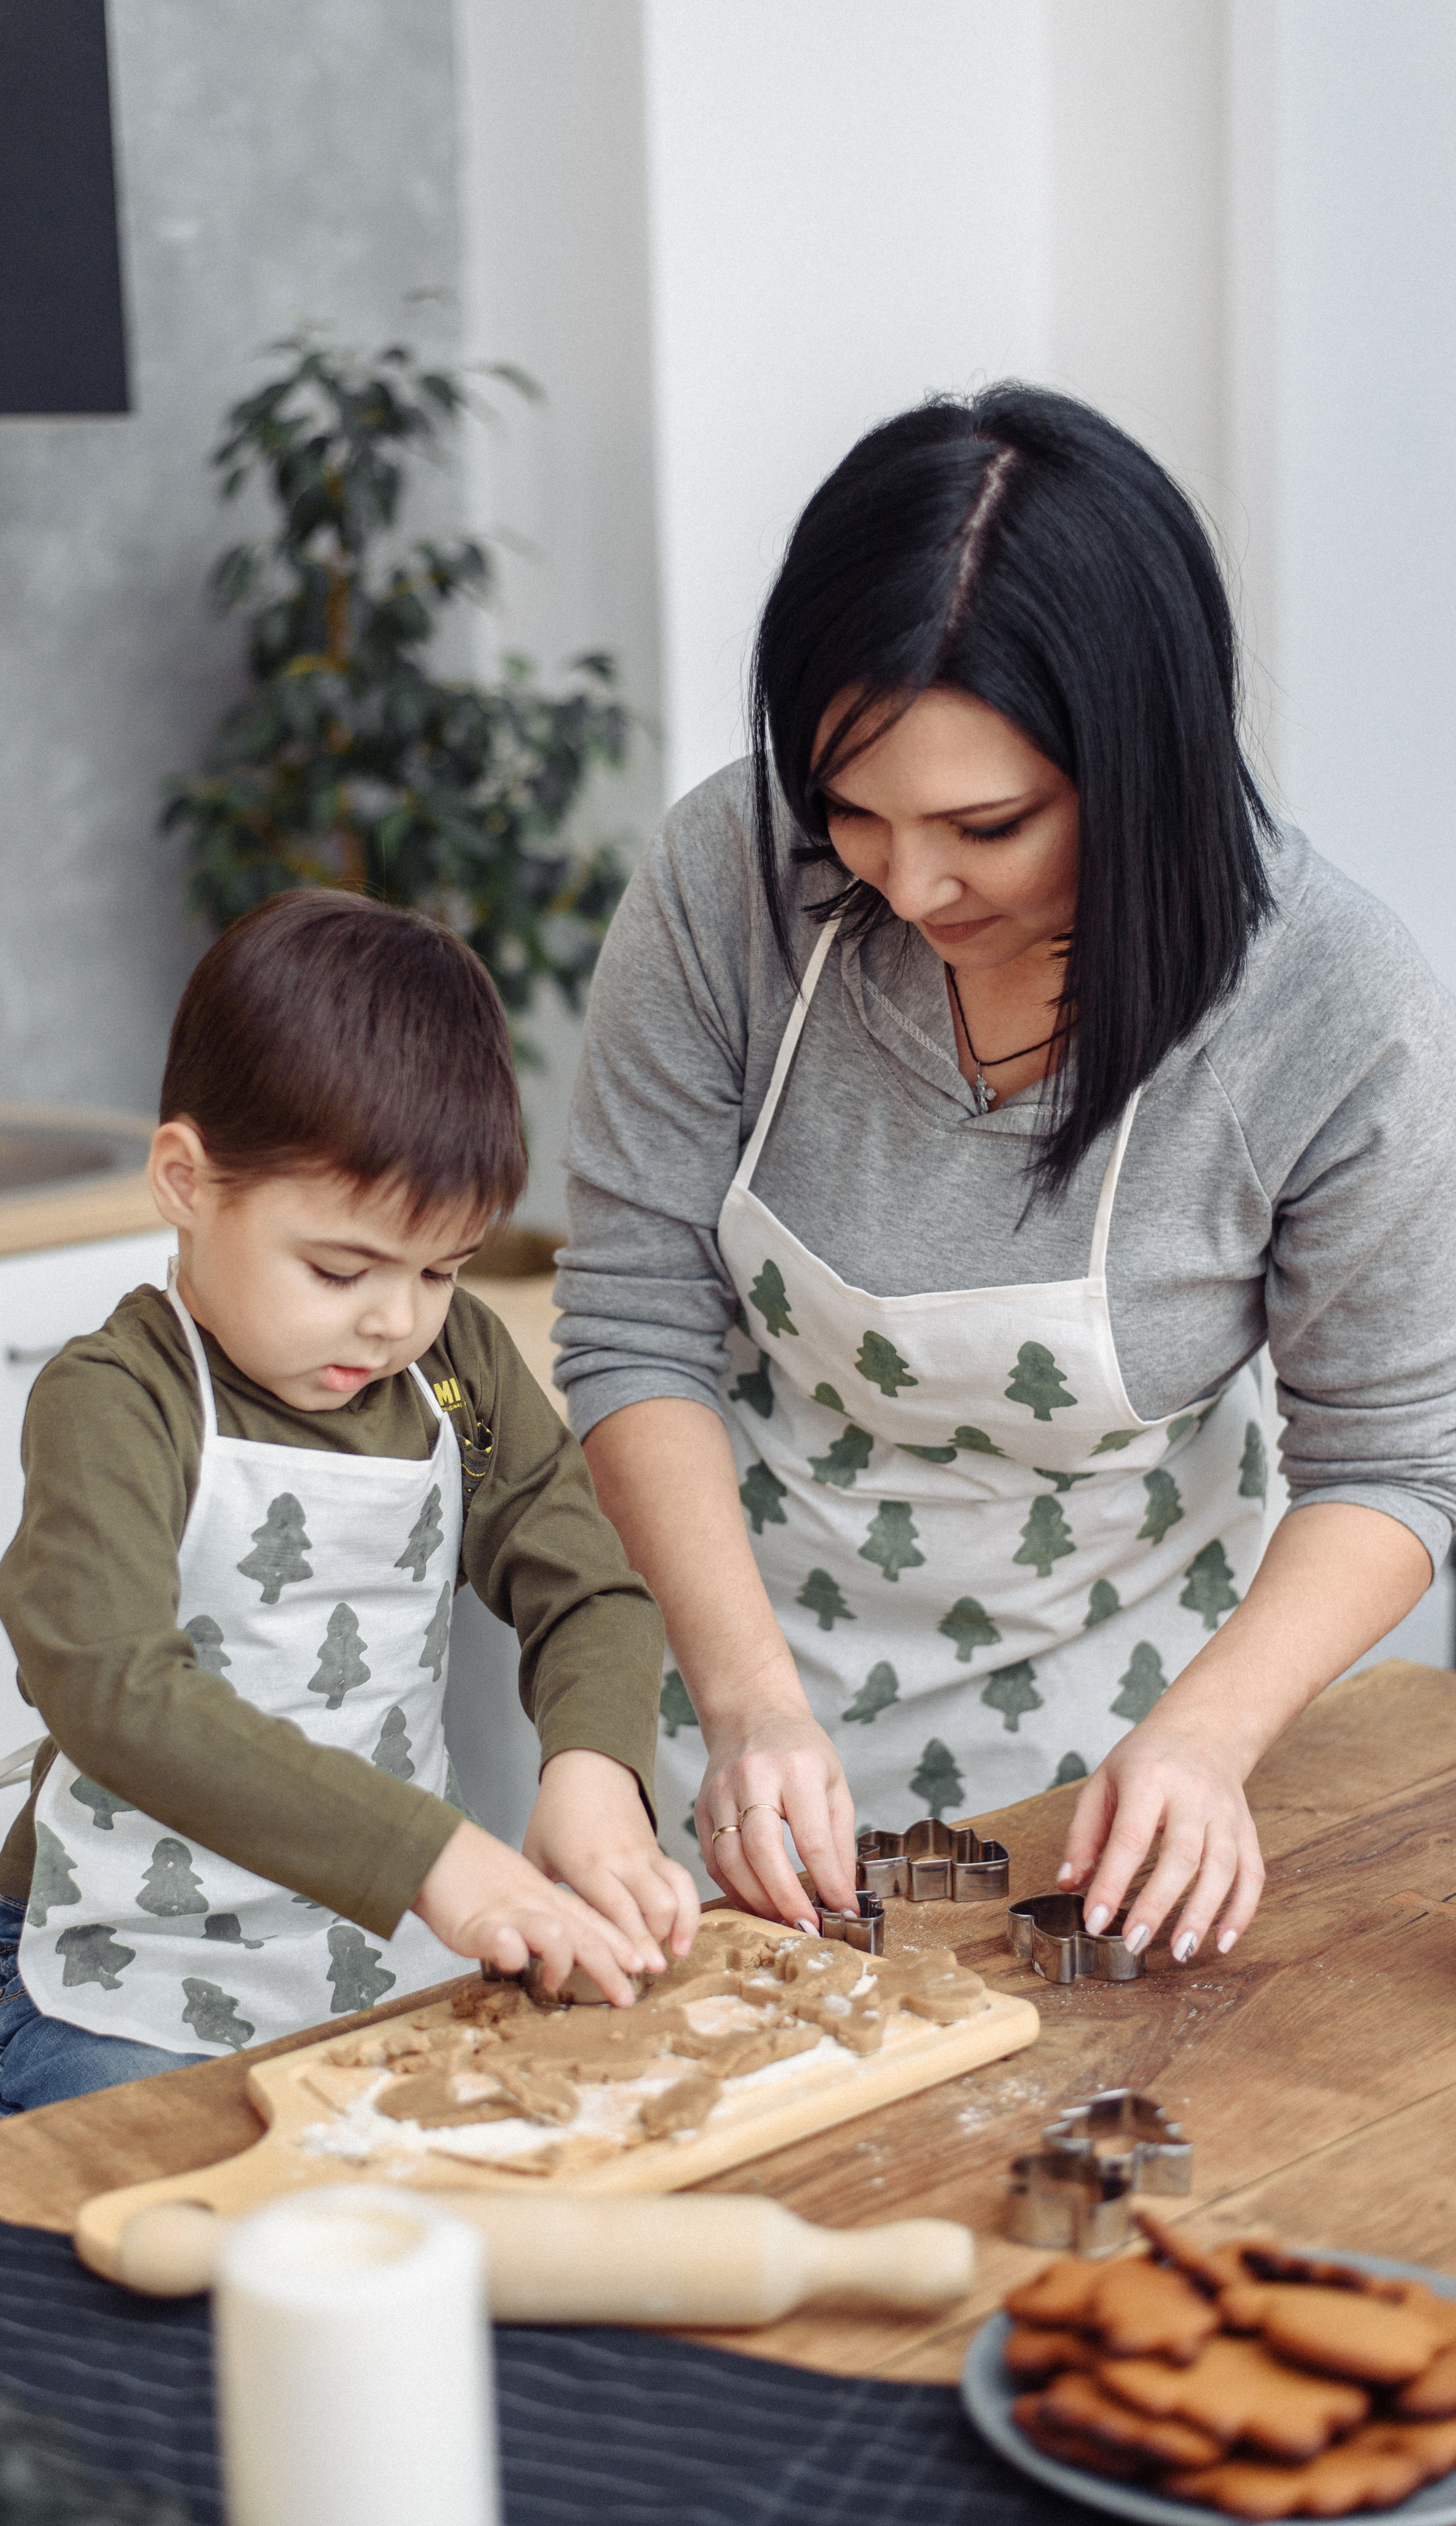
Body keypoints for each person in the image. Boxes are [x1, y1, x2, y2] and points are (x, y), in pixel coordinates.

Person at [557, 383, 1456, 1969]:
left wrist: (1207, 1740)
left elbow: (1390, 1462)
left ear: (1141, 766)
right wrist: (747, 1699)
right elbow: (632, 1327)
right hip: (744, 1698)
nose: (910, 884)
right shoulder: (725, 882)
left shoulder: (1330, 1005)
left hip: (1128, 1745)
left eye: (987, 824)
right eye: (852, 810)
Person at [0, 891, 696, 2112]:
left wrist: (596, 1771)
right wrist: (433, 1855)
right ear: (186, 1180)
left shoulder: (455, 1367)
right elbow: (113, 1687)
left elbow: (588, 1586)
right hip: (132, 1975)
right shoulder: (119, 1399)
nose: (395, 1318)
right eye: (339, 1268)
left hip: (382, 1958)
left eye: (441, 1267)